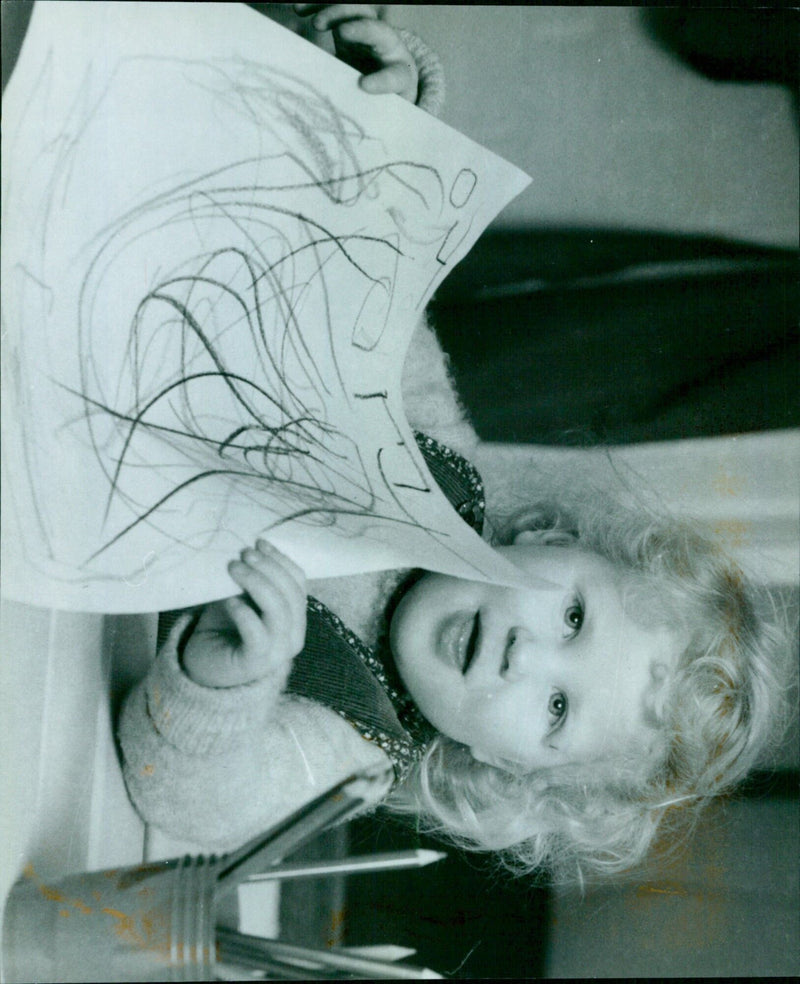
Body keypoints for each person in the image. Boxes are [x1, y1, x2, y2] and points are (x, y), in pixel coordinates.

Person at [118, 5, 790, 883]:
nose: (526, 652)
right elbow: (372, 282)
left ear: (511, 771)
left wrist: (227, 684)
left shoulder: (357, 742)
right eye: (576, 615)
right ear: (552, 540)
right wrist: (381, 125)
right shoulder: (441, 462)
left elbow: (182, 800)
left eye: (556, 708)